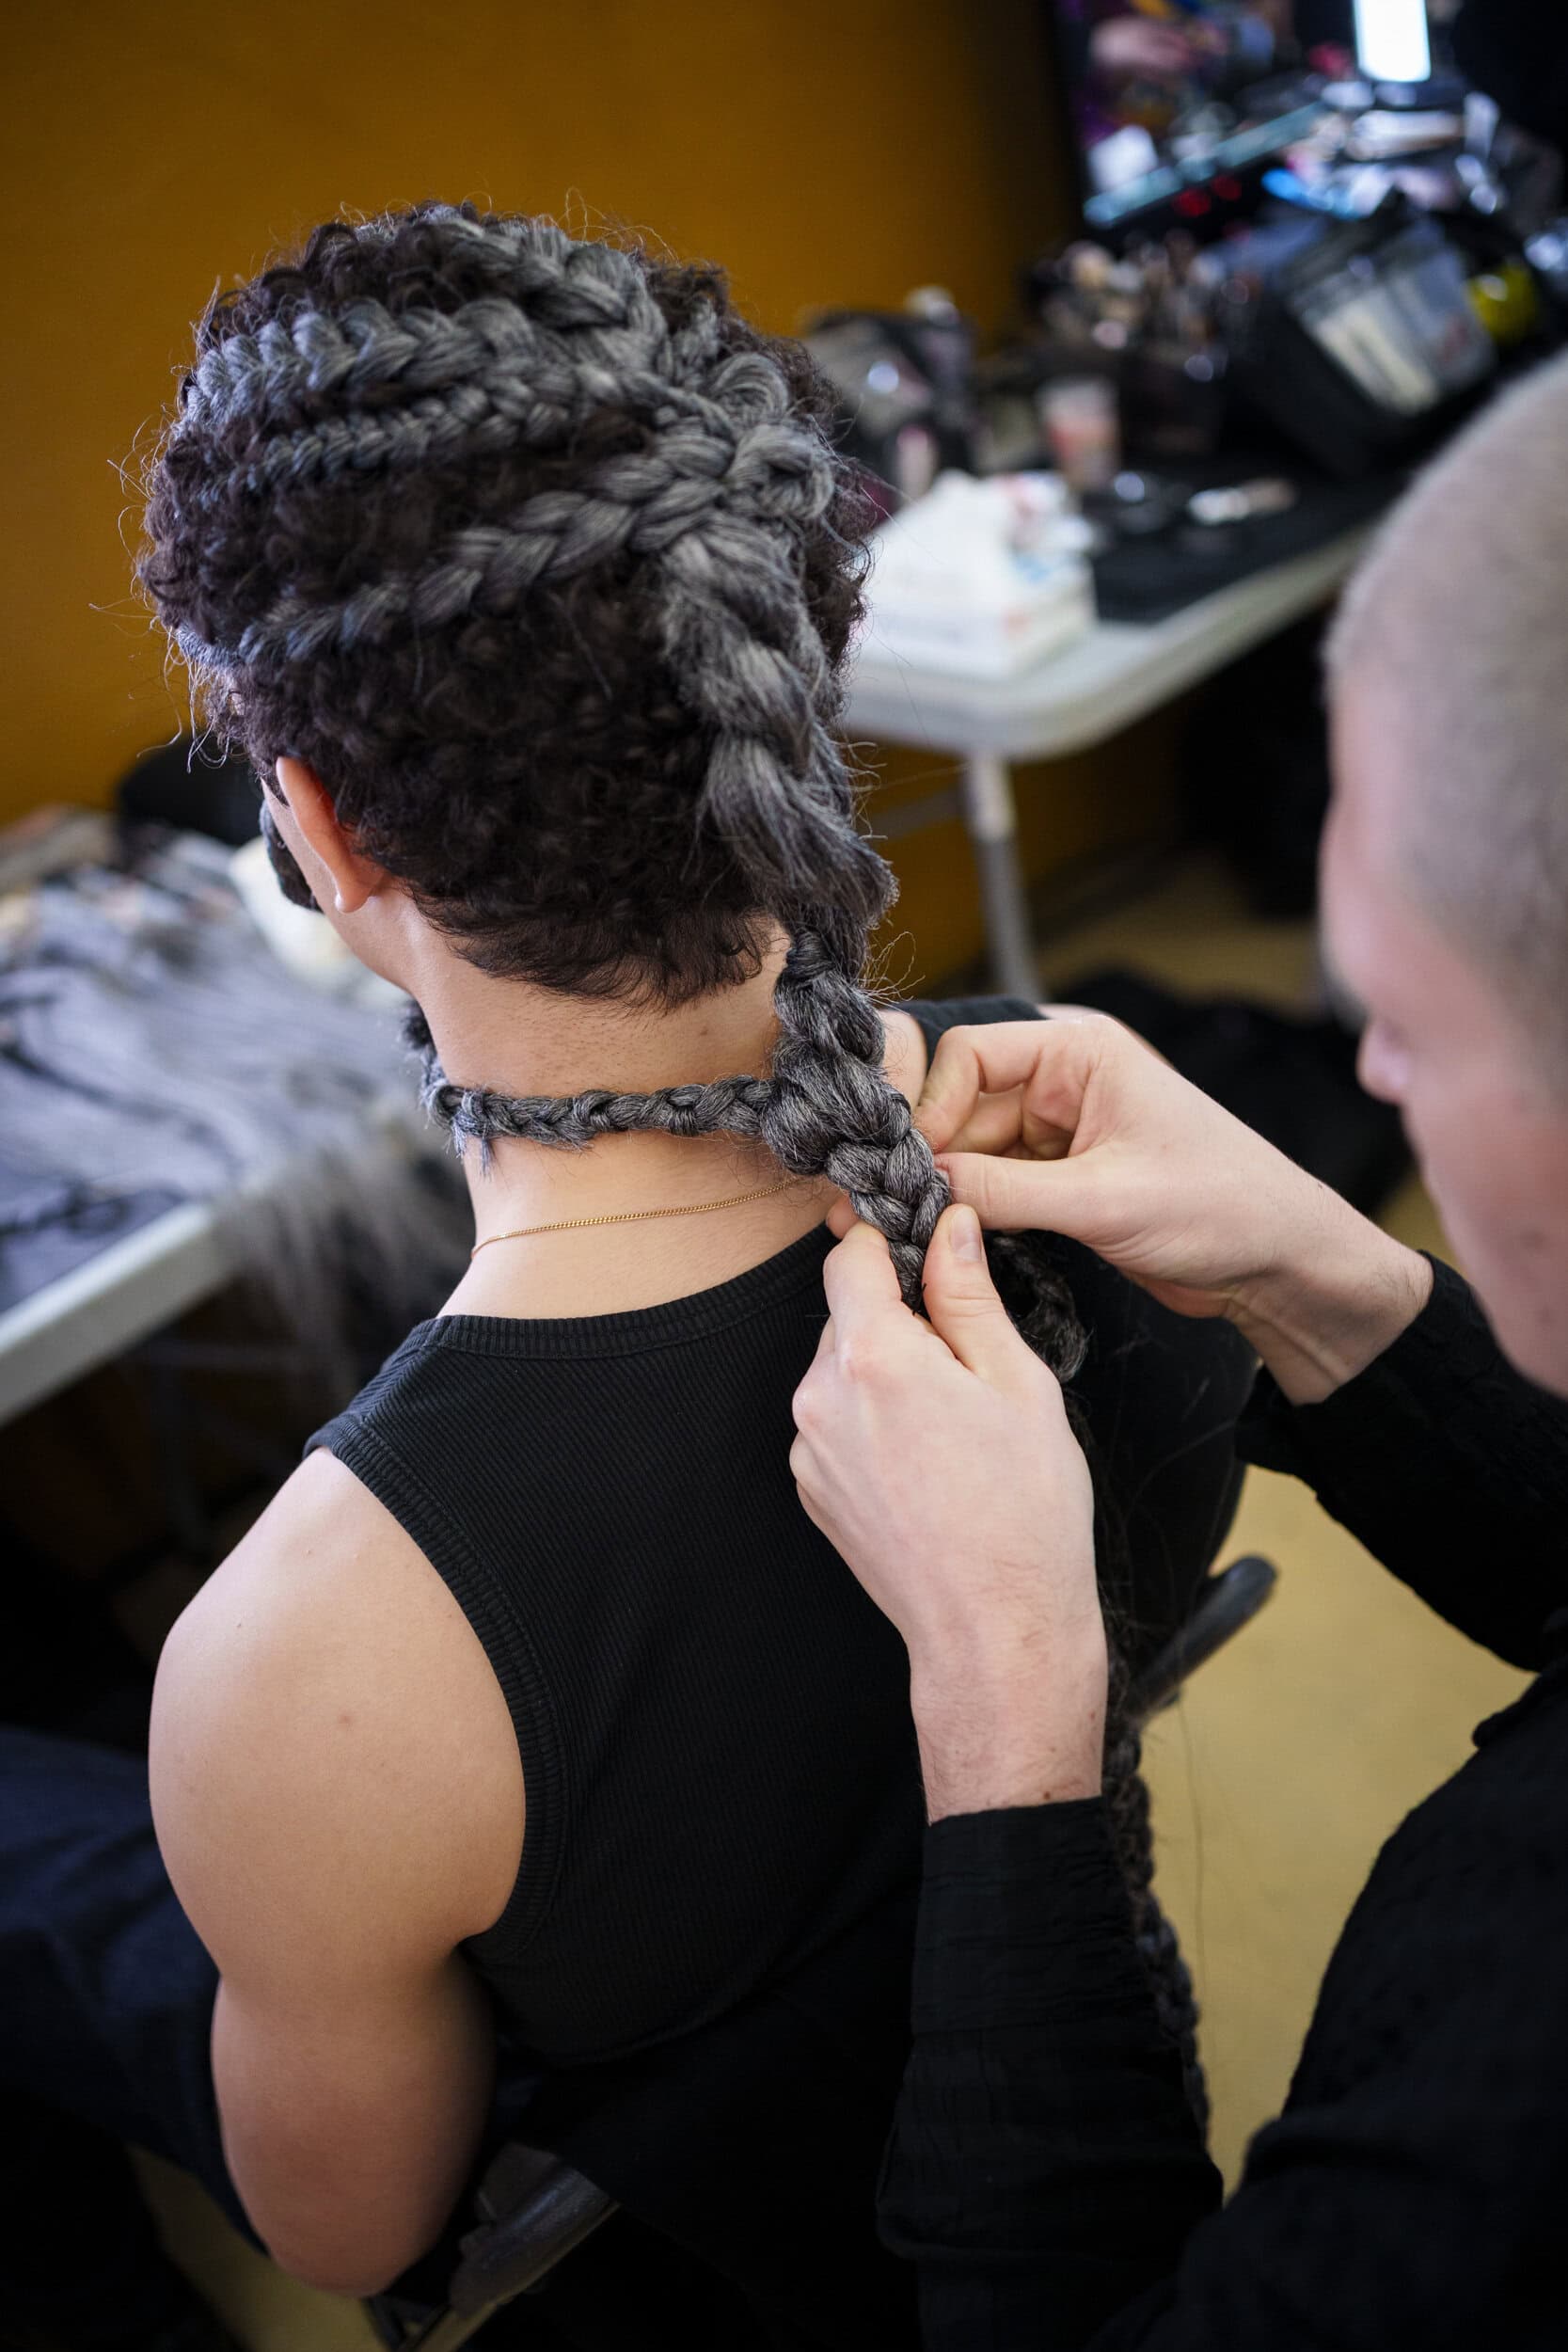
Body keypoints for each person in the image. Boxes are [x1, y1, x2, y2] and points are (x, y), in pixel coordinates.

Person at [0, 203, 1255, 2352]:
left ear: (320, 828)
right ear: (784, 659)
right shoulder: (1115, 1188)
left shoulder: (299, 1671)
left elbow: (352, 2224)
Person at [790, 351, 1568, 2346]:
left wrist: (1008, 1696)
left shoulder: (1518, 2059)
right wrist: (1332, 1284)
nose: (1368, 1080)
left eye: (1406, 1023)